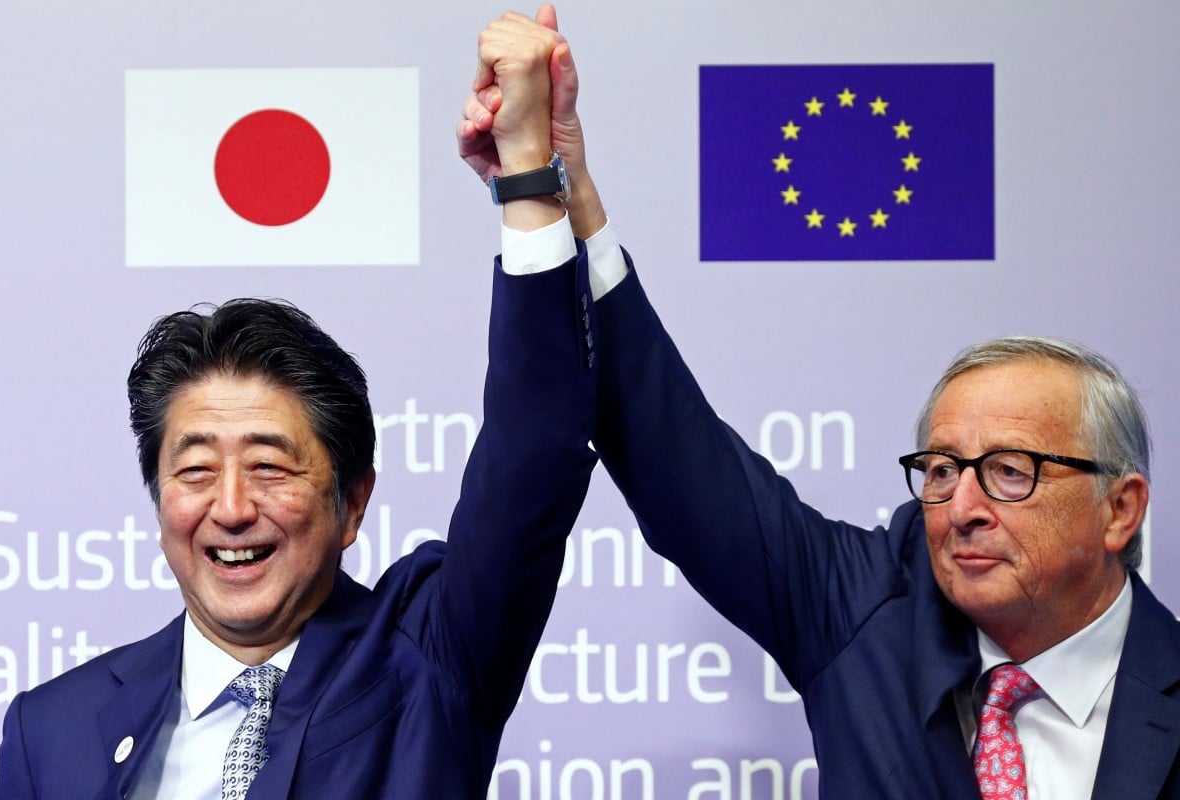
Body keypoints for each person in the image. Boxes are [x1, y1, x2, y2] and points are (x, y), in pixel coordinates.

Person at [459, 7, 1180, 798]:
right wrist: (562, 189)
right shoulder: (873, 609)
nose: (962, 508)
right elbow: (682, 467)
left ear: (1120, 509)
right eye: (941, 470)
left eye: (1009, 471)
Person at [0, 293, 598, 793]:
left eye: (269, 467)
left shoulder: (427, 659)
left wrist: (528, 198)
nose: (231, 509)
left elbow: (532, 450)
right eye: (197, 470)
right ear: (159, 502)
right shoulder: (51, 731)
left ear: (352, 502)